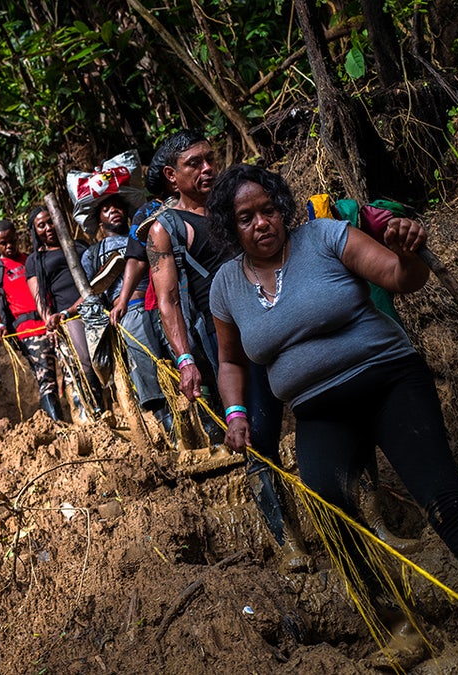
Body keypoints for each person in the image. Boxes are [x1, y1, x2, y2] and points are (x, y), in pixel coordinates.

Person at [206, 163, 458, 667]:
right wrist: (236, 412)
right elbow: (231, 360)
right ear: (230, 227)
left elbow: (398, 276)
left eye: (268, 209)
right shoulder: (225, 287)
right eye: (245, 217)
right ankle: (400, 627)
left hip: (389, 382)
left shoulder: (324, 236)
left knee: (443, 499)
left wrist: (409, 250)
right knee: (331, 509)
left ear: (282, 208)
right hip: (318, 410)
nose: (262, 222)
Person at [142, 130, 305, 569]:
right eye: (194, 163)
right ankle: (285, 540)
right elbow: (168, 300)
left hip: (276, 318)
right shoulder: (165, 230)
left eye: (210, 159)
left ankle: (365, 518)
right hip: (227, 342)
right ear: (172, 177)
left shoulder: (231, 204)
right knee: (255, 434)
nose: (208, 168)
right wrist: (186, 359)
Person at [81, 195, 170, 432]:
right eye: (106, 209)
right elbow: (90, 293)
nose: (114, 211)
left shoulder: (144, 234)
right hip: (129, 312)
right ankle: (168, 425)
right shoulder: (92, 253)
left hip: (163, 303)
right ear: (98, 220)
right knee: (145, 370)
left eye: (118, 206)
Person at [24, 205, 104, 421]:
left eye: (51, 221)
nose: (48, 228)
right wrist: (50, 320)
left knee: (104, 361)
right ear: (35, 230)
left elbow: (96, 278)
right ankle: (94, 411)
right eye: (42, 225)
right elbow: (39, 296)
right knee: (84, 361)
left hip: (92, 307)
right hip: (67, 316)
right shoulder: (35, 260)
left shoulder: (79, 246)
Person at [0, 219, 63, 421]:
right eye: (3, 243)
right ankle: (58, 424)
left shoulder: (30, 260)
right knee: (46, 379)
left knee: (72, 371)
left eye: (12, 240)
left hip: (53, 324)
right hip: (28, 331)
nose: (9, 246)